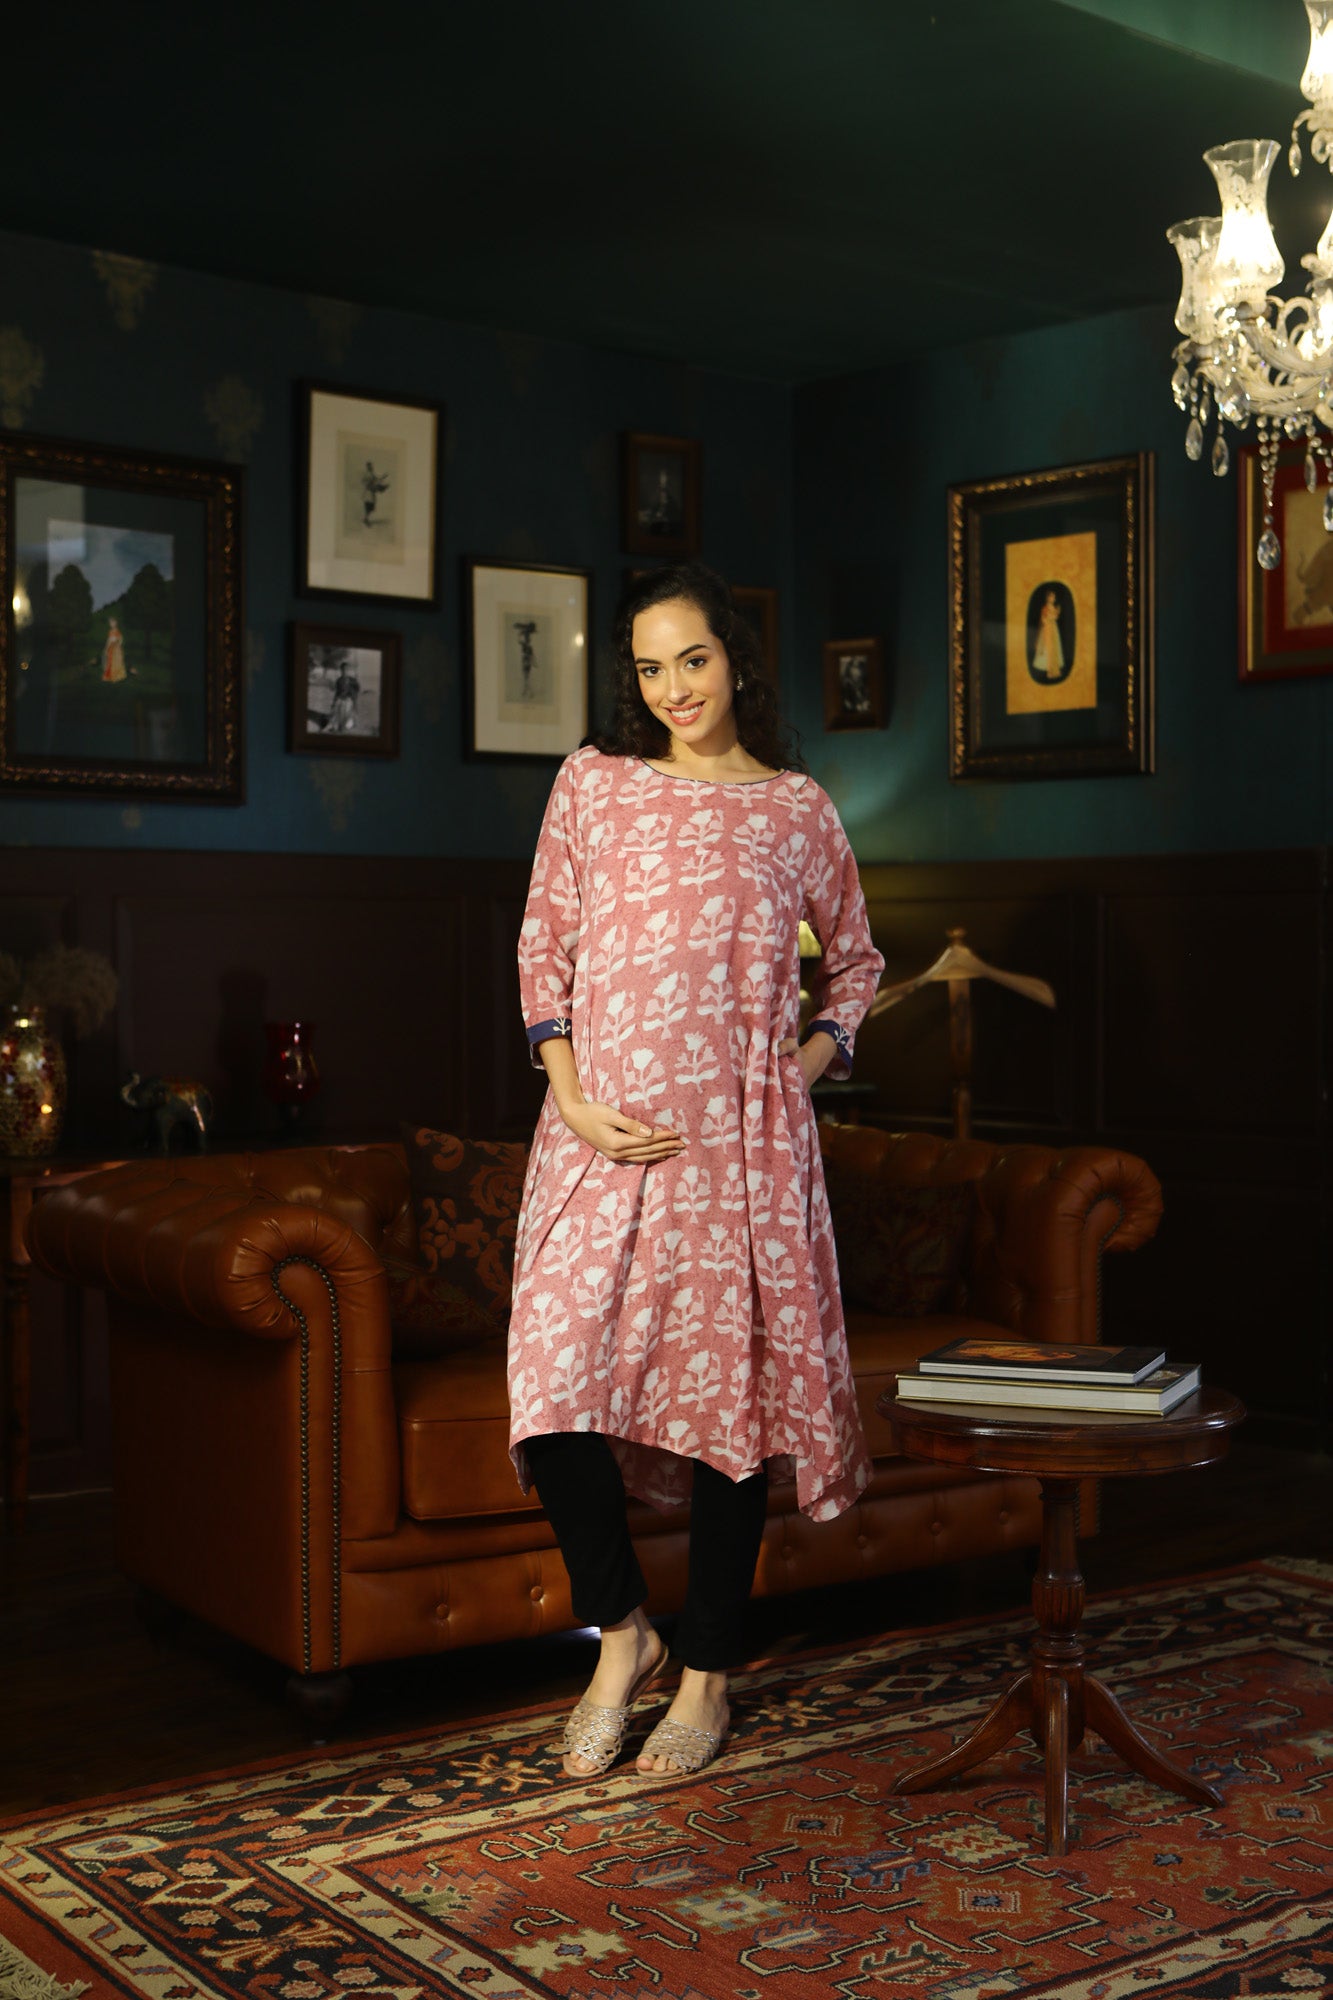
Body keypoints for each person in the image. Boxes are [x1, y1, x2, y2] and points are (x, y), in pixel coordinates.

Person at [508, 561, 884, 1782]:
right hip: (597, 1138)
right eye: (650, 667)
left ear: (736, 659)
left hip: (743, 1155)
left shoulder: (795, 808)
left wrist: (800, 1068)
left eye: (694, 659)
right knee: (553, 1387)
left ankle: (709, 1675)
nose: (674, 686)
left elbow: (858, 964)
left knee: (733, 1416)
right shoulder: (594, 783)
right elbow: (543, 946)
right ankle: (625, 1634)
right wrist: (571, 1093)